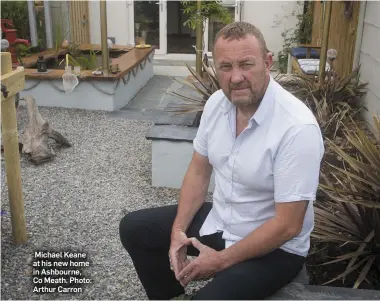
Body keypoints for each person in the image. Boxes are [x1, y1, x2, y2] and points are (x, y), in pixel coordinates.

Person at [119, 21, 324, 300]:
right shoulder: (217, 104)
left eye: (246, 64)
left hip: (275, 249)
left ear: (267, 62)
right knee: (134, 228)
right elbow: (199, 171)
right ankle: (168, 294)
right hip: (222, 221)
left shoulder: (296, 128)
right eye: (226, 67)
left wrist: (221, 260)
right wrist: (178, 231)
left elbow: (288, 225)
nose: (236, 77)